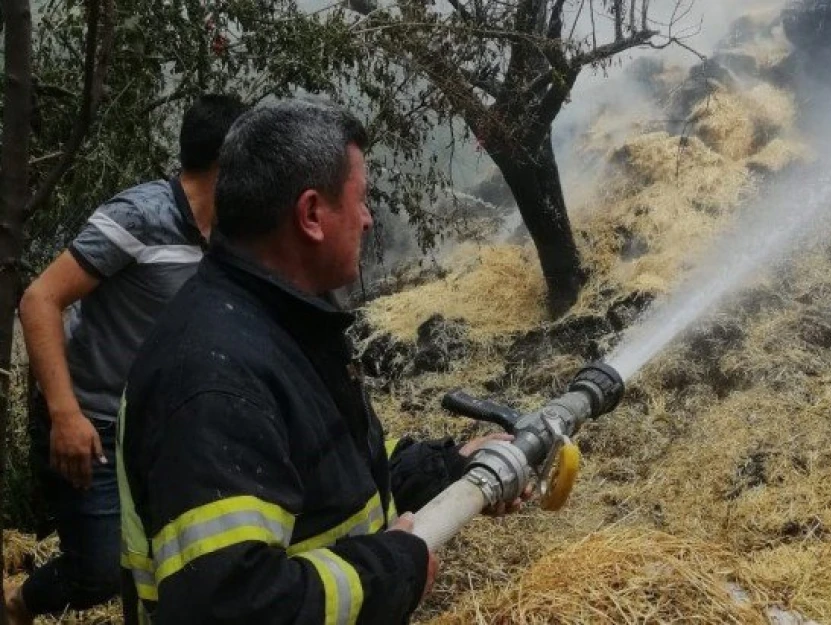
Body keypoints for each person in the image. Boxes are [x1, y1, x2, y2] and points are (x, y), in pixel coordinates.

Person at [116, 98, 521, 625]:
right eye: (361, 199)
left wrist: (447, 469)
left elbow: (330, 462)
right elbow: (232, 604)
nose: (369, 218)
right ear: (310, 214)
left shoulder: (279, 324)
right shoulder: (214, 380)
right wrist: (391, 570)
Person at [4, 94, 247, 625]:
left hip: (164, 426)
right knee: (97, 571)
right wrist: (65, 414)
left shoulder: (232, 235)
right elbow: (39, 300)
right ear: (230, 160)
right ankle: (17, 604)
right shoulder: (140, 216)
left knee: (169, 561)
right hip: (90, 421)